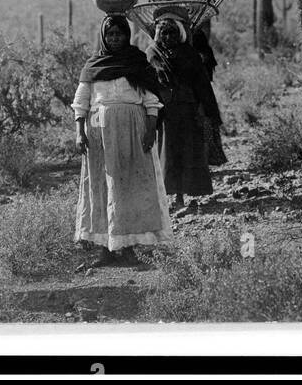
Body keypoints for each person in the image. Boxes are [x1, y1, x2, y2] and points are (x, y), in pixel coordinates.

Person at [73, 14, 173, 266]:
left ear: (127, 35)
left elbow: (151, 101)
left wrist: (150, 129)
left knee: (128, 185)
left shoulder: (137, 63)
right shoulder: (93, 66)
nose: (114, 38)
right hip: (100, 135)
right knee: (102, 186)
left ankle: (127, 246)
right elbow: (81, 102)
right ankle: (105, 249)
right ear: (103, 37)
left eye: (119, 33)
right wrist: (79, 131)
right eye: (110, 34)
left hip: (132, 131)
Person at [149, 17, 223, 209]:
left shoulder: (190, 54)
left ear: (180, 34)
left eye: (172, 32)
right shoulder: (152, 53)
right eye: (164, 32)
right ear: (158, 35)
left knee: (188, 151)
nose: (168, 36)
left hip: (188, 110)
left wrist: (204, 109)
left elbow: (202, 84)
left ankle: (186, 194)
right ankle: (172, 196)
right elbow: (149, 84)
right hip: (166, 112)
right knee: (168, 152)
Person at [192, 27, 228, 167]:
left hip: (200, 94)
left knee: (203, 124)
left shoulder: (199, 54)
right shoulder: (205, 52)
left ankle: (203, 162)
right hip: (204, 94)